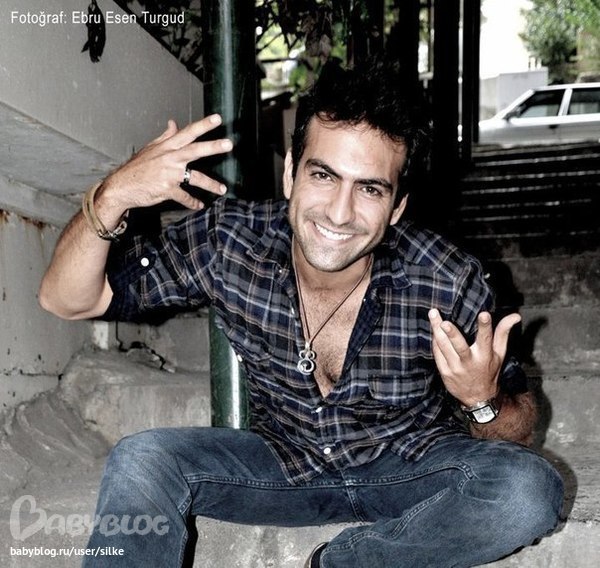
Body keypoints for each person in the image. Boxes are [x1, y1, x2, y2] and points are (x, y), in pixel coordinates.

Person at [39, 60, 563, 568]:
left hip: (410, 466)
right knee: (143, 459)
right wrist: (112, 196)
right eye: (323, 175)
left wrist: (481, 402)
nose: (339, 211)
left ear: (397, 207)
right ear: (291, 173)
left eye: (370, 189)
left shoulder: (446, 278)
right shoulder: (229, 243)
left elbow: (516, 435)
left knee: (527, 490)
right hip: (283, 465)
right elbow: (68, 299)